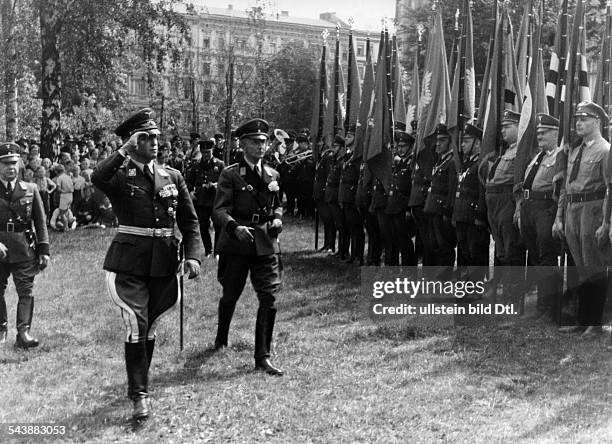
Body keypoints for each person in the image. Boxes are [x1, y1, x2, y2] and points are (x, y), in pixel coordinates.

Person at [91, 108, 203, 420]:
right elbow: (96, 177)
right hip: (129, 262)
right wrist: (124, 151)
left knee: (150, 325)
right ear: (133, 141)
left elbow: (190, 223)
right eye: (146, 137)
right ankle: (139, 395)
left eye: (156, 137)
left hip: (164, 262)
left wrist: (193, 255)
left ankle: (141, 383)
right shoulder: (118, 175)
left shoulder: (173, 177)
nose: (155, 142)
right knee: (136, 325)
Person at [213, 118, 284, 376]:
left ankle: (262, 356)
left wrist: (277, 217)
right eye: (255, 142)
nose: (261, 146)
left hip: (265, 241)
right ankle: (222, 337)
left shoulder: (272, 174)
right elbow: (220, 209)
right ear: (242, 144)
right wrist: (233, 227)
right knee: (231, 293)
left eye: (264, 142)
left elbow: (278, 202)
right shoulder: (230, 174)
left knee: (269, 297)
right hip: (238, 243)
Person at [553, 102, 611, 337]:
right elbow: (566, 187)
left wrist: (606, 222)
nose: (578, 123)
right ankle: (583, 319)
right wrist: (559, 215)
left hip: (593, 210)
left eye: (584, 119)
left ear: (597, 122)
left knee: (594, 266)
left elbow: (610, 189)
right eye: (577, 119)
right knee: (579, 267)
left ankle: (595, 323)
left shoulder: (605, 150)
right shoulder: (575, 151)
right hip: (572, 211)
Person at [0, 142, 50, 348]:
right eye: (5, 164)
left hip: (24, 248)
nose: (10, 167)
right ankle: (1, 330)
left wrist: (44, 250)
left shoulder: (30, 189)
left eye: (14, 163)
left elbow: (40, 221)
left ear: (19, 164)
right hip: (0, 250)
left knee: (26, 291)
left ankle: (24, 333)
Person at [516, 114, 563, 322]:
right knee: (534, 256)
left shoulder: (560, 156)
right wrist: (519, 209)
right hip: (528, 208)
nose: (539, 136)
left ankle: (548, 307)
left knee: (546, 257)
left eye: (544, 133)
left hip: (545, 208)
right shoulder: (538, 156)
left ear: (556, 133)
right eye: (538, 133)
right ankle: (540, 305)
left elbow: (560, 189)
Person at [482, 110, 526, 305]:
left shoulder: (522, 152)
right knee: (500, 250)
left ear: (520, 127)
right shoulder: (506, 151)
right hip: (494, 202)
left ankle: (513, 296)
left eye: (507, 127)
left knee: (511, 249)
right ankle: (505, 291)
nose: (502, 131)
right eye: (502, 127)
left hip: (507, 200)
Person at [450, 123, 489, 283]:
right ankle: (466, 287)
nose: (462, 145)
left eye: (466, 141)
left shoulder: (481, 164)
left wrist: (480, 215)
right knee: (465, 253)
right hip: (462, 216)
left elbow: (482, 192)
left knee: (476, 254)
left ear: (478, 143)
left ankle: (474, 289)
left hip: (474, 218)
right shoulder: (466, 164)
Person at [423, 124, 457, 270]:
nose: (438, 143)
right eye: (437, 140)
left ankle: (445, 276)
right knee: (433, 243)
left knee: (444, 245)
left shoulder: (452, 162)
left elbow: (451, 189)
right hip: (432, 207)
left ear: (450, 142)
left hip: (442, 209)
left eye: (442, 140)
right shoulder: (440, 160)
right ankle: (438, 273)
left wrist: (448, 212)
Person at [186, 140, 225, 257]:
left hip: (215, 200)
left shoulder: (219, 164)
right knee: (203, 226)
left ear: (212, 151)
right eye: (204, 152)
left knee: (218, 226)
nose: (206, 155)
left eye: (208, 152)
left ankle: (217, 251)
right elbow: (189, 182)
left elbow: (225, 182)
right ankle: (208, 250)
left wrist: (216, 185)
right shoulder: (196, 165)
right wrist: (191, 192)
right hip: (201, 200)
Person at [385, 130, 417, 266]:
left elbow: (411, 189)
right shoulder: (398, 163)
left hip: (403, 207)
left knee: (405, 240)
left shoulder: (411, 164)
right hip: (393, 206)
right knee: (395, 238)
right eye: (399, 146)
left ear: (410, 147)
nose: (400, 149)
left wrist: (409, 209)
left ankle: (409, 268)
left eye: (403, 146)